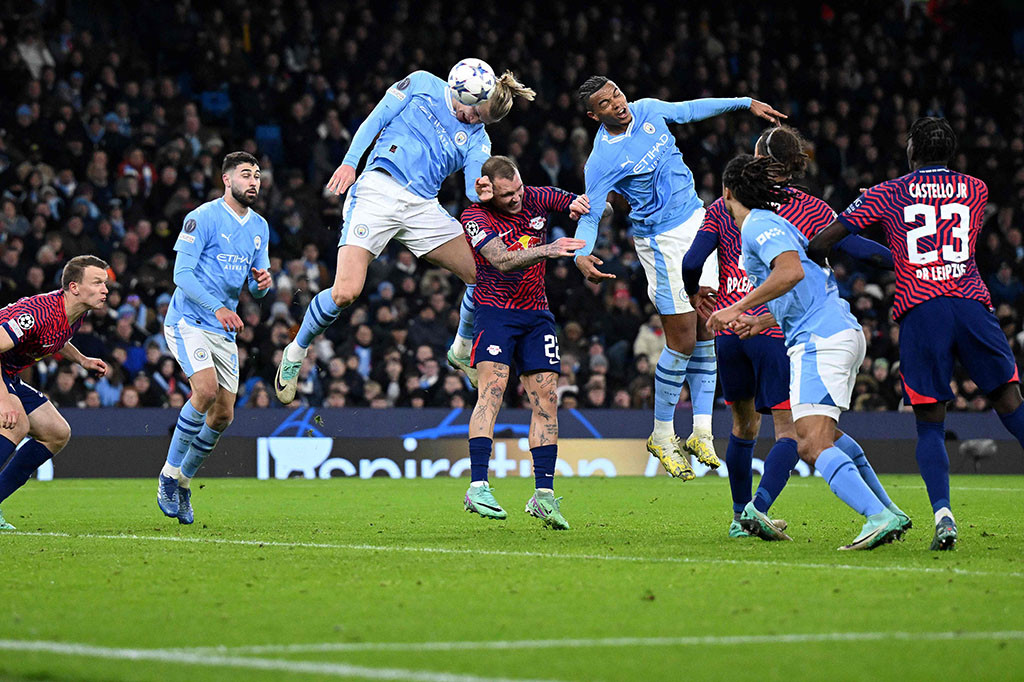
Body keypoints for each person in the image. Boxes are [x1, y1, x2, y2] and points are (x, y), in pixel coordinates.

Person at [808, 117, 1024, 550]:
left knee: (929, 421)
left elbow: (824, 241)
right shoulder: (977, 189)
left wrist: (887, 256)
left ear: (911, 152)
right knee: (1009, 401)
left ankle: (943, 515)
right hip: (971, 304)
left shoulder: (886, 192)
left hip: (922, 309)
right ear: (952, 153)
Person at [682, 126, 899, 539]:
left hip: (731, 331)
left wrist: (697, 295)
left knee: (743, 428)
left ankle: (739, 515)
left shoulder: (724, 208)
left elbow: (693, 262)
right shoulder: (811, 209)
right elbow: (857, 250)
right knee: (795, 432)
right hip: (781, 329)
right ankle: (758, 511)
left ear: (757, 158)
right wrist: (905, 262)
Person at [275, 64, 536, 401]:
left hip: (422, 208)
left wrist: (488, 192)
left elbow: (474, 188)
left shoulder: (478, 138)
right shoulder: (423, 83)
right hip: (377, 190)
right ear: (463, 93)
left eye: (482, 121)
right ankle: (295, 352)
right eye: (475, 114)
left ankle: (460, 349)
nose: (474, 122)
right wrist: (350, 161)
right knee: (345, 292)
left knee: (483, 274)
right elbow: (378, 117)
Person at [573, 75, 785, 480]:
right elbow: (590, 211)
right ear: (593, 114)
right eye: (605, 103)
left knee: (710, 325)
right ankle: (661, 433)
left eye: (617, 92)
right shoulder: (601, 160)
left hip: (697, 220)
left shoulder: (649, 109)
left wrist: (744, 102)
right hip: (661, 241)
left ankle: (702, 431)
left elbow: (690, 109)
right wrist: (582, 254)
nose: (617, 103)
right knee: (683, 339)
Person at [459, 155, 587, 529]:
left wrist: (586, 206)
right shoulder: (474, 217)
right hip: (495, 312)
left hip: (537, 315)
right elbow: (499, 259)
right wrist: (548, 249)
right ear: (488, 191)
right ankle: (478, 486)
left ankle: (543, 496)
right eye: (506, 195)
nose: (516, 199)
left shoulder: (538, 196)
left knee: (547, 399)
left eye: (517, 190)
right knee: (493, 391)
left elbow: (587, 206)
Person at [157, 151, 272, 524]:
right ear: (226, 180)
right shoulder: (202, 217)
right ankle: (167, 476)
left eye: (256, 175)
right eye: (245, 175)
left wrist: (260, 286)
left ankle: (185, 483)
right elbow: (182, 275)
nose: (253, 181)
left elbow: (256, 289)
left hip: (221, 329)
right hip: (188, 319)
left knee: (223, 415)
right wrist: (218, 308)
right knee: (204, 392)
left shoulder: (260, 227)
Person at [0, 255, 110, 529]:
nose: (105, 290)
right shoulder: (36, 313)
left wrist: (82, 360)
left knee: (55, 433)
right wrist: (3, 398)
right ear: (74, 287)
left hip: (9, 373)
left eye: (105, 283)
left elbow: (55, 337)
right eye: (97, 282)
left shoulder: (75, 312)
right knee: (15, 423)